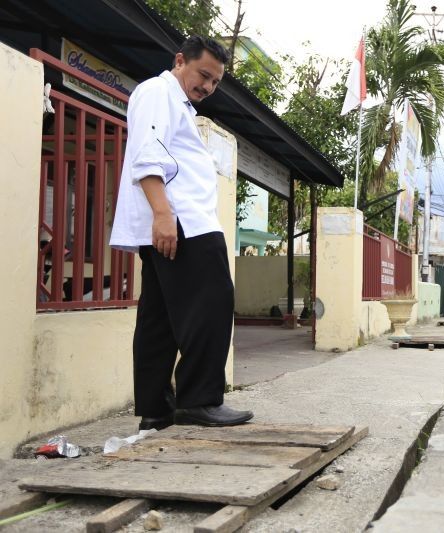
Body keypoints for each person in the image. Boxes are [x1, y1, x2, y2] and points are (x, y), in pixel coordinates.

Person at [110, 36, 253, 430]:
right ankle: (199, 400)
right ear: (180, 60)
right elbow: (148, 153)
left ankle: (156, 410)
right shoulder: (159, 91)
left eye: (215, 82)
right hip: (183, 222)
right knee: (212, 304)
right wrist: (162, 214)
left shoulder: (176, 102)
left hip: (176, 221)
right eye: (203, 74)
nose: (207, 86)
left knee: (160, 319)